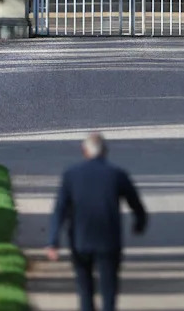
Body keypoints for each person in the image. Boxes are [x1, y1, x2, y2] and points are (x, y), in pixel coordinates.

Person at [46, 132, 148, 311]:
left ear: (84, 151)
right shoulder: (117, 174)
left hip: (80, 241)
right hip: (108, 241)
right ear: (105, 152)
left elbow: (59, 210)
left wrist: (53, 241)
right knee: (109, 290)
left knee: (85, 291)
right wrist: (139, 224)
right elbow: (136, 204)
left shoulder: (71, 175)